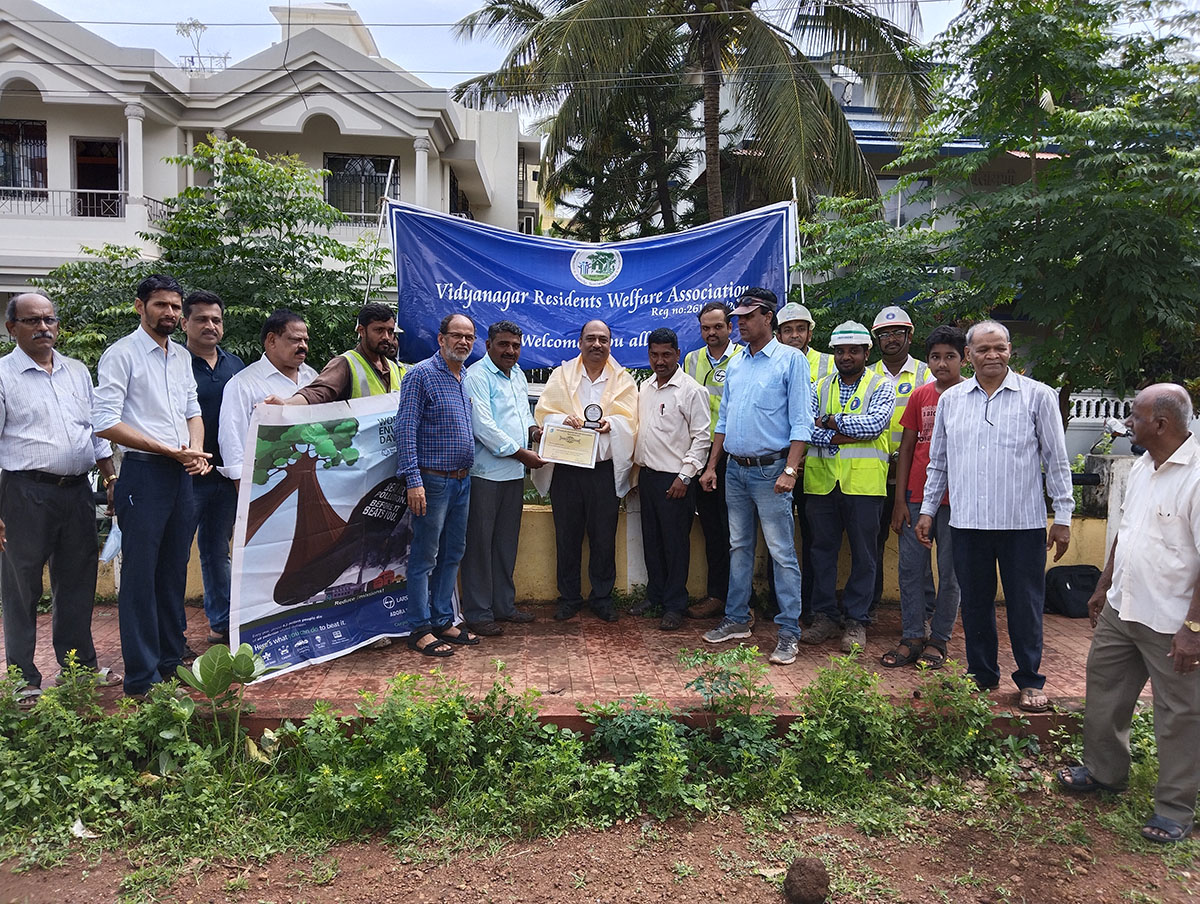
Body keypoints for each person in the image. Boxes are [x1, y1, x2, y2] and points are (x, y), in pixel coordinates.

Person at [1055, 384, 1200, 844]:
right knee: (1104, 690)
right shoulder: (1141, 466)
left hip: (1173, 620)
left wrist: (1194, 628)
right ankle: (1103, 773)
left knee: (1179, 713)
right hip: (1124, 605)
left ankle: (1175, 809)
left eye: (1134, 417)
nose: (1125, 423)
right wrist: (1102, 586)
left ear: (1161, 424)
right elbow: (1127, 531)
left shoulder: (1196, 475)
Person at [917, 320, 1073, 712]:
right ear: (968, 355)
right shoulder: (952, 401)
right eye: (983, 349)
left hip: (1023, 523)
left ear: (1009, 351)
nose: (992, 356)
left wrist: (1064, 515)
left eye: (999, 348)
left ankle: (1030, 680)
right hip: (968, 522)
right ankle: (982, 675)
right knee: (975, 604)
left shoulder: (1038, 397)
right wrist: (927, 510)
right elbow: (939, 464)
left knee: (1025, 603)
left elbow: (1057, 460)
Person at [93, 274, 211, 698]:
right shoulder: (121, 355)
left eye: (176, 307)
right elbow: (105, 421)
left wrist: (194, 450)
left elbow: (192, 410)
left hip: (180, 474)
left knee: (172, 573)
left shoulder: (180, 357)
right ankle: (142, 679)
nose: (171, 313)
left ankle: (168, 663)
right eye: (161, 305)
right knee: (140, 578)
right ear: (140, 306)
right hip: (142, 474)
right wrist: (167, 449)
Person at [0, 293, 120, 704]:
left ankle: (78, 670)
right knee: (22, 588)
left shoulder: (76, 371)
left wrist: (110, 477)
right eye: (32, 321)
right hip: (23, 494)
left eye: (49, 319)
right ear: (11, 327)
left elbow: (94, 430)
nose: (43, 328)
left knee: (77, 583)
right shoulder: (3, 375)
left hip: (76, 493)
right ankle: (22, 677)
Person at [699, 288, 811, 666]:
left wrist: (791, 470)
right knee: (739, 547)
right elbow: (725, 420)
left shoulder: (790, 361)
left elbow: (801, 422)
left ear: (768, 316)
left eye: (747, 317)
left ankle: (789, 632)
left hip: (772, 471)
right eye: (738, 318)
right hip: (735, 470)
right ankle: (736, 618)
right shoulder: (736, 364)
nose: (740, 323)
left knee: (781, 553)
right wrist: (713, 465)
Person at [534, 320, 638, 622]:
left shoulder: (624, 381)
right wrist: (561, 420)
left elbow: (631, 422)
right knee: (566, 536)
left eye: (602, 339)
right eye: (590, 339)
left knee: (604, 536)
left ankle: (602, 597)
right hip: (567, 469)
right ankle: (568, 597)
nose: (596, 344)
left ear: (610, 344)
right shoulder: (562, 376)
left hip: (602, 471)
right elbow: (544, 414)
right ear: (580, 342)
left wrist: (612, 425)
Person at [802, 321, 894, 653]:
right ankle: (824, 617)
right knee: (820, 553)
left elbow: (876, 424)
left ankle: (857, 621)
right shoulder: (819, 386)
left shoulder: (881, 385)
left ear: (866, 353)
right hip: (822, 483)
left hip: (864, 485)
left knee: (865, 556)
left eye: (853, 351)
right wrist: (843, 429)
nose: (846, 356)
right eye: (840, 351)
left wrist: (828, 421)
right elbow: (805, 428)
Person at [882, 325, 965, 670]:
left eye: (950, 357)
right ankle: (913, 634)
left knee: (950, 572)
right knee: (911, 570)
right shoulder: (920, 396)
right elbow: (906, 449)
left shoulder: (970, 397)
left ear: (965, 359)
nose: (942, 363)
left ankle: (940, 638)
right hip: (917, 497)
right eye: (935, 357)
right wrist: (900, 500)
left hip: (959, 501)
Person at [395, 314, 478, 657]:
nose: (463, 342)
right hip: (431, 481)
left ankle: (444, 619)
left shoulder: (463, 377)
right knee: (425, 556)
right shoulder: (421, 375)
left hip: (461, 481)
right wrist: (413, 481)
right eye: (456, 335)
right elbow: (405, 428)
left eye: (469, 337)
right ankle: (419, 627)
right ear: (440, 339)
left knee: (453, 553)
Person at [461, 320, 545, 636]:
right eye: (504, 345)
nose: (510, 351)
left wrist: (535, 431)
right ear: (488, 345)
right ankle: (479, 612)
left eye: (515, 346)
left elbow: (524, 416)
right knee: (480, 546)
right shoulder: (477, 377)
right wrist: (523, 453)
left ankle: (503, 606)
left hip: (512, 475)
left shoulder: (519, 375)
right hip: (485, 474)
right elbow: (483, 427)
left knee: (506, 543)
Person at [631, 327, 711, 630]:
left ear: (678, 354)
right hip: (648, 478)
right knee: (651, 542)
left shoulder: (691, 390)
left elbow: (702, 438)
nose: (660, 360)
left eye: (666, 354)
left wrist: (685, 476)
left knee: (675, 544)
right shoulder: (646, 387)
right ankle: (655, 596)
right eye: (654, 354)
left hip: (676, 480)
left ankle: (675, 604)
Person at [181, 290, 244, 645]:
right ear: (185, 323)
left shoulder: (235, 366)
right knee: (175, 553)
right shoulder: (174, 364)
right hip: (187, 475)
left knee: (217, 550)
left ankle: (222, 622)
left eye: (216, 319)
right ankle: (173, 634)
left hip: (226, 476)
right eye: (201, 319)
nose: (210, 326)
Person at [868, 305, 933, 612]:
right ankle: (869, 606)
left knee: (918, 545)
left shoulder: (926, 374)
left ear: (910, 335)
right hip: (874, 473)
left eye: (897, 333)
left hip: (913, 476)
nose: (891, 339)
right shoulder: (867, 376)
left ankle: (927, 610)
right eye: (884, 334)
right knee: (871, 545)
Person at [771, 301, 834, 615]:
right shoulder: (771, 362)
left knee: (815, 539)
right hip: (779, 463)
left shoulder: (829, 364)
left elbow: (829, 416)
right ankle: (779, 602)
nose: (794, 335)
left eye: (799, 329)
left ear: (810, 332)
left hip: (819, 466)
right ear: (779, 334)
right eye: (787, 330)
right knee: (777, 537)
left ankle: (812, 605)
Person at [682, 301, 743, 619]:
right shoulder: (691, 360)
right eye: (705, 328)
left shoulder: (743, 358)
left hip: (738, 457)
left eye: (718, 326)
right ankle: (718, 595)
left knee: (738, 532)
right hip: (703, 459)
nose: (711, 333)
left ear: (730, 328)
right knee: (712, 530)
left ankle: (740, 601)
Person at [218, 310, 319, 485]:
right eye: (295, 340)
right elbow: (232, 441)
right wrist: (243, 491)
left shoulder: (313, 378)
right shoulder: (243, 384)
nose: (303, 346)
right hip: (265, 483)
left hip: (314, 475)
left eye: (305, 341)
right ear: (271, 340)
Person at [266, 302, 403, 405]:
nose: (386, 337)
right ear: (361, 331)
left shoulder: (395, 368)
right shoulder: (345, 364)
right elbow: (318, 392)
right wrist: (287, 404)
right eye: (379, 330)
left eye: (390, 332)